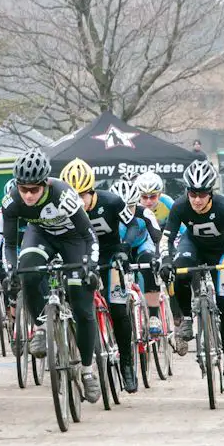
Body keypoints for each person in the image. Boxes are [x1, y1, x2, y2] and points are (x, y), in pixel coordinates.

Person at [2, 148, 101, 404]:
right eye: (23, 189)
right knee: (28, 273)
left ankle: (88, 371)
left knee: (82, 306)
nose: (28, 195)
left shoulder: (64, 195)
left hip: (73, 240)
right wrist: (11, 269)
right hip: (41, 235)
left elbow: (89, 235)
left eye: (34, 189)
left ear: (45, 183)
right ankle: (41, 328)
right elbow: (10, 244)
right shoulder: (13, 201)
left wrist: (90, 265)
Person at [160, 159, 224, 391]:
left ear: (211, 193)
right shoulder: (179, 207)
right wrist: (166, 260)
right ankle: (186, 319)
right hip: (194, 247)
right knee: (179, 268)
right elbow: (167, 238)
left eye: (202, 194)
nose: (197, 200)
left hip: (222, 252)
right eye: (192, 193)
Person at [60, 159, 139, 392]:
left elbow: (134, 225)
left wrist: (125, 247)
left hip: (110, 255)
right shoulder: (64, 207)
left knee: (118, 308)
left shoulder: (112, 201)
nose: (78, 202)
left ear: (92, 191)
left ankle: (126, 363)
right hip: (81, 257)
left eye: (82, 196)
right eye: (73, 196)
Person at [110, 178, 162, 335]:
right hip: (119, 249)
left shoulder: (144, 212)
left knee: (148, 264)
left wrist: (158, 257)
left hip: (142, 246)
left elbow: (158, 237)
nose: (127, 211)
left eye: (131, 206)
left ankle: (154, 316)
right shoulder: (109, 215)